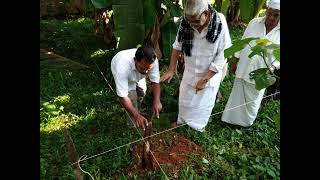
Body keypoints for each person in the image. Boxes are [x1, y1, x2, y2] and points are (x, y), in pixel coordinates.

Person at [160, 0, 231, 132]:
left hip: (210, 73)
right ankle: (182, 123)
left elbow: (223, 54)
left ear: (205, 13)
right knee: (185, 100)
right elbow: (177, 47)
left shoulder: (220, 22)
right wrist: (170, 69)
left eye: (196, 22)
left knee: (203, 105)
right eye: (190, 22)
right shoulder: (187, 22)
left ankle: (196, 129)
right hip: (190, 70)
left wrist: (205, 79)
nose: (193, 25)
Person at [221, 0, 280, 127]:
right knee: (237, 94)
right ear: (267, 10)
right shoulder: (254, 22)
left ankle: (245, 124)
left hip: (262, 71)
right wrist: (236, 59)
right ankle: (229, 120)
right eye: (270, 13)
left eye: (276, 15)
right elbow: (243, 41)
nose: (271, 17)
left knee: (253, 100)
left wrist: (273, 67)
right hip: (245, 65)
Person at [111, 46, 162, 130]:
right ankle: (133, 127)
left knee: (142, 92)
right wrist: (136, 116)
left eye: (148, 70)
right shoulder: (122, 68)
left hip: (137, 74)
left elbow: (156, 82)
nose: (146, 72)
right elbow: (122, 97)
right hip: (125, 74)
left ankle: (136, 110)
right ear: (135, 60)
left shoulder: (153, 60)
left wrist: (157, 101)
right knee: (131, 98)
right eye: (143, 68)